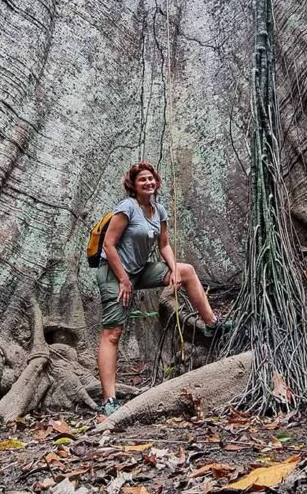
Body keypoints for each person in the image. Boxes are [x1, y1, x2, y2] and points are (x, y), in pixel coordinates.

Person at [97, 161, 231, 415]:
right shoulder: (127, 208)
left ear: (156, 182)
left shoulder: (158, 211)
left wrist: (172, 271)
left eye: (151, 179)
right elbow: (109, 245)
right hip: (115, 273)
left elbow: (165, 244)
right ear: (133, 186)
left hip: (139, 270)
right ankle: (109, 400)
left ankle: (213, 324)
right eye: (142, 180)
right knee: (112, 333)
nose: (148, 183)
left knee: (187, 271)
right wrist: (124, 280)